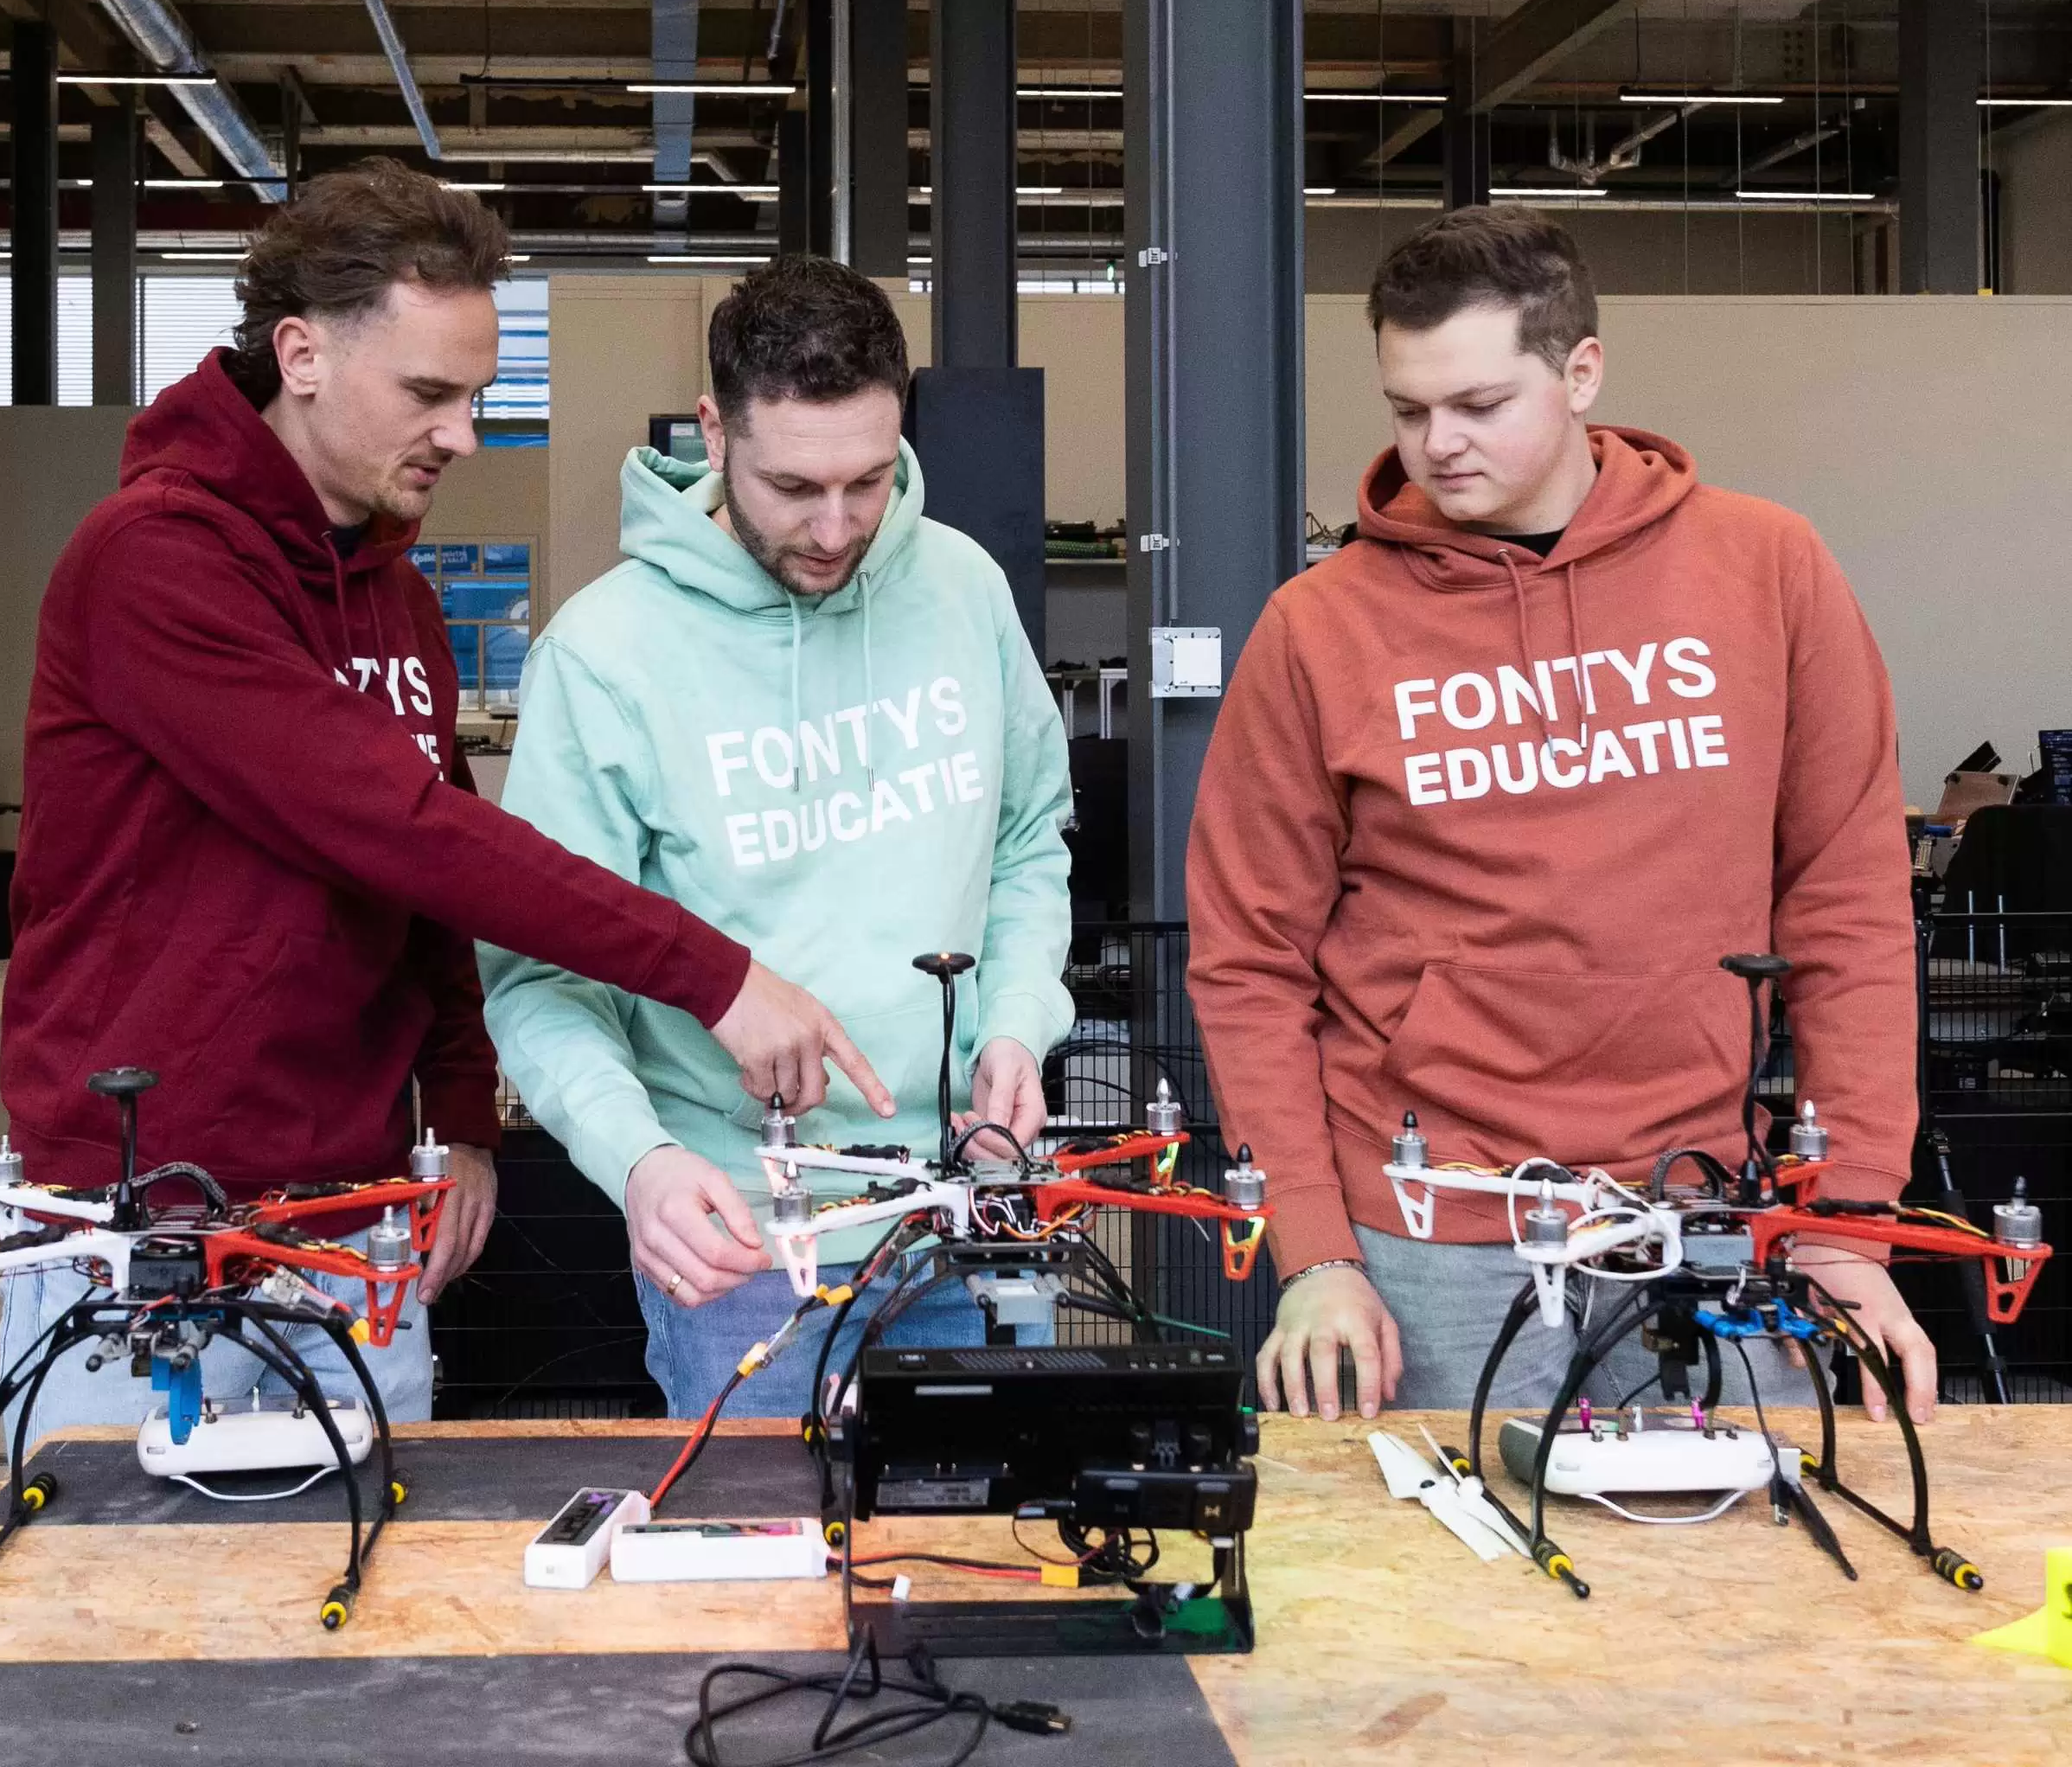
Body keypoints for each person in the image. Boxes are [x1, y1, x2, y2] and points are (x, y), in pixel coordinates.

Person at [0, 161, 887, 1442]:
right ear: (300, 354)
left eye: (475, 395)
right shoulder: (154, 564)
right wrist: (714, 973)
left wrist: (462, 1116)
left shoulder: (397, 595)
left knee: (367, 1611)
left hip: (357, 1219)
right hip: (144, 1220)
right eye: (430, 393)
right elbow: (398, 826)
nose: (464, 434)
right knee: (113, 1617)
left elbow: (426, 884)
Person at [1186, 205, 1932, 1426]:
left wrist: (1848, 1221)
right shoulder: (1319, 628)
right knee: (1451, 1606)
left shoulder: (1769, 569)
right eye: (1408, 410)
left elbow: (1847, 910)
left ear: (1582, 371)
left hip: (1705, 1211)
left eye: (1480, 406)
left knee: (1733, 1596)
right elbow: (1248, 964)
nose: (1440, 445)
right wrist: (1314, 1253)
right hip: (1430, 1235)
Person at [479, 256, 1075, 1418]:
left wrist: (1014, 1027)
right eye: (795, 486)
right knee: (763, 1582)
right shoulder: (603, 658)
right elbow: (541, 977)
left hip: (971, 1207)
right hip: (746, 1247)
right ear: (714, 430)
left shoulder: (962, 588)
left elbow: (1026, 848)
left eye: (869, 479)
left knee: (1002, 1576)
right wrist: (638, 1162)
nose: (838, 525)